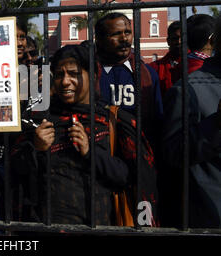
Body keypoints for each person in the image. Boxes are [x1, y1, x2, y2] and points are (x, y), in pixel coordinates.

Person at [23, 44, 158, 226]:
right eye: (60, 74)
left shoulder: (110, 120)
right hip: (49, 227)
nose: (65, 81)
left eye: (74, 74)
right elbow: (17, 179)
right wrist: (37, 149)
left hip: (101, 226)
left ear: (93, 75)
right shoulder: (41, 120)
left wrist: (90, 152)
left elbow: (132, 177)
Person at [162, 15, 221, 228]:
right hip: (210, 217)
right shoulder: (189, 90)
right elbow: (173, 154)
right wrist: (216, 124)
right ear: (215, 41)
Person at [95, 12, 163, 152]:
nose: (124, 38)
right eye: (116, 34)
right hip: (99, 153)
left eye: (127, 32)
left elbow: (157, 121)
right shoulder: (90, 74)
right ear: (100, 40)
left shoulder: (148, 75)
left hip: (139, 153)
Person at [149, 21, 182, 99]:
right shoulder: (154, 68)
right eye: (175, 38)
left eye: (183, 38)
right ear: (168, 41)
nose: (179, 42)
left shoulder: (195, 64)